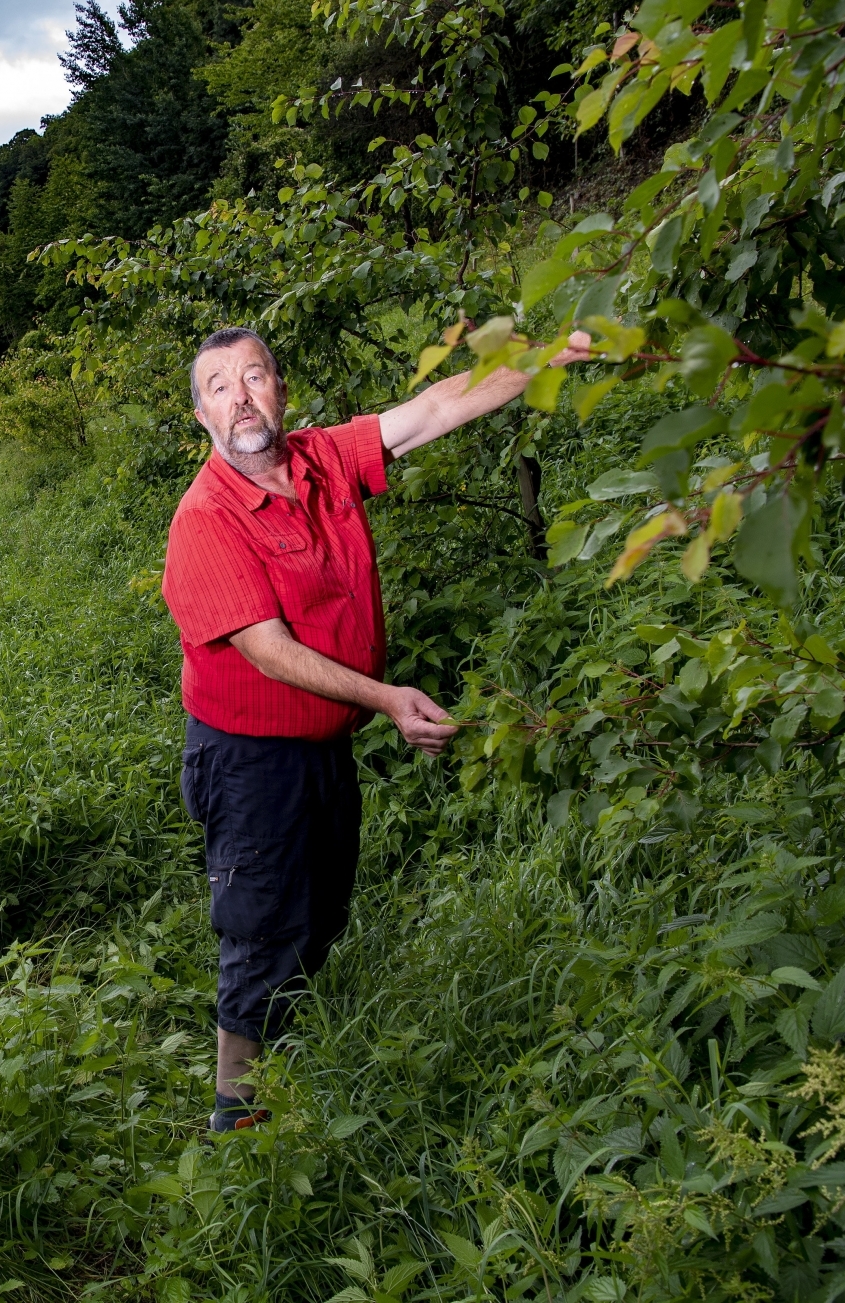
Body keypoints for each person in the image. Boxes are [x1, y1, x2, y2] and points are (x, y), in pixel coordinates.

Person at [161, 325, 590, 1132]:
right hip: (250, 758)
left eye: (255, 376)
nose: (242, 397)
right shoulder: (205, 520)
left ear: (282, 391)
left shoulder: (321, 458)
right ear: (201, 416)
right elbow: (270, 651)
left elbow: (431, 410)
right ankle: (238, 1116)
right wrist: (389, 699)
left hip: (323, 743)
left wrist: (546, 356)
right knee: (259, 928)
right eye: (219, 386)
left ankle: (288, 1060)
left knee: (319, 910)